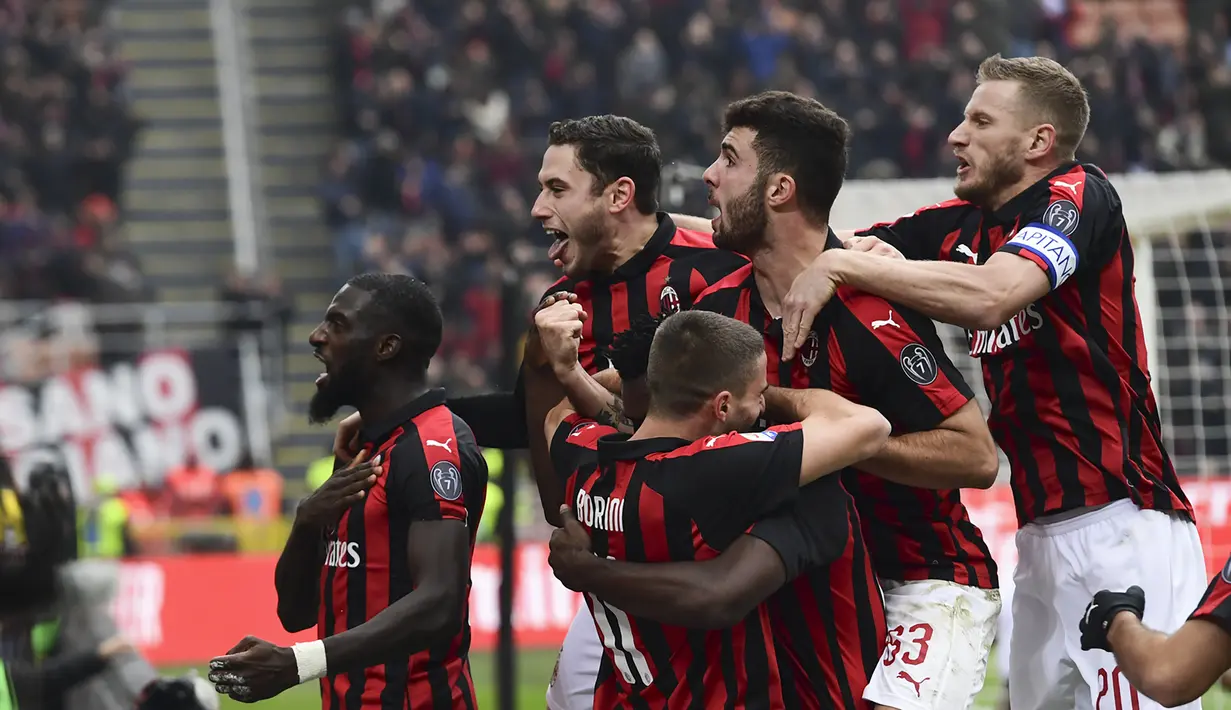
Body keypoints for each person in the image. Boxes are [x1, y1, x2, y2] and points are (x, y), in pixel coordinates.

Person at [772, 55, 1201, 710]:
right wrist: (659, 235)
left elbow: (995, 295)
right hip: (1035, 535)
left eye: (978, 119)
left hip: (1123, 522)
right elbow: (796, 245)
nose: (954, 135)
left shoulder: (1078, 195)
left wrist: (841, 267)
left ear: (1037, 142)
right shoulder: (958, 226)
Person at [551, 91, 1003, 710]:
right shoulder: (717, 307)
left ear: (779, 189)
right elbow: (640, 419)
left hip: (919, 577)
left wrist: (817, 442)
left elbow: (974, 457)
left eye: (729, 159)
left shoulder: (866, 311)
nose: (709, 175)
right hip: (797, 577)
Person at [332, 114, 749, 710]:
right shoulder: (562, 304)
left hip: (725, 558)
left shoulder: (715, 264)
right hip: (619, 560)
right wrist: (401, 418)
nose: (535, 208)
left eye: (556, 189)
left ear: (618, 196)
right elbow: (525, 417)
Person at [542, 304, 892, 708]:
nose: (761, 408)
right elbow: (869, 426)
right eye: (757, 396)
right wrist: (770, 394)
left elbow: (558, 415)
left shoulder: (583, 459)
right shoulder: (712, 468)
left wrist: (601, 372)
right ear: (722, 406)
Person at [207, 274, 488, 708]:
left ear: (385, 347)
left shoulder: (430, 448)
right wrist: (306, 522)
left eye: (337, 325)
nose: (316, 337)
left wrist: (298, 664)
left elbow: (440, 602)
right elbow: (296, 613)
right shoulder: (364, 452)